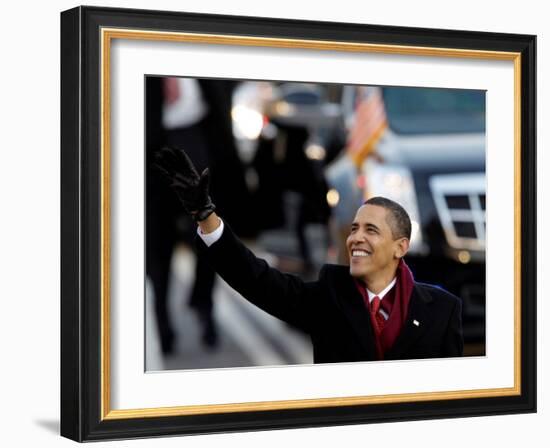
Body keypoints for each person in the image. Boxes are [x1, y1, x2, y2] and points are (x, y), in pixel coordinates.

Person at [155, 147, 464, 363]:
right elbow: (255, 279)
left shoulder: (441, 310)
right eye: (354, 228)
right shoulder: (330, 293)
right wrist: (204, 213)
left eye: (371, 230)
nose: (355, 237)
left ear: (401, 247)